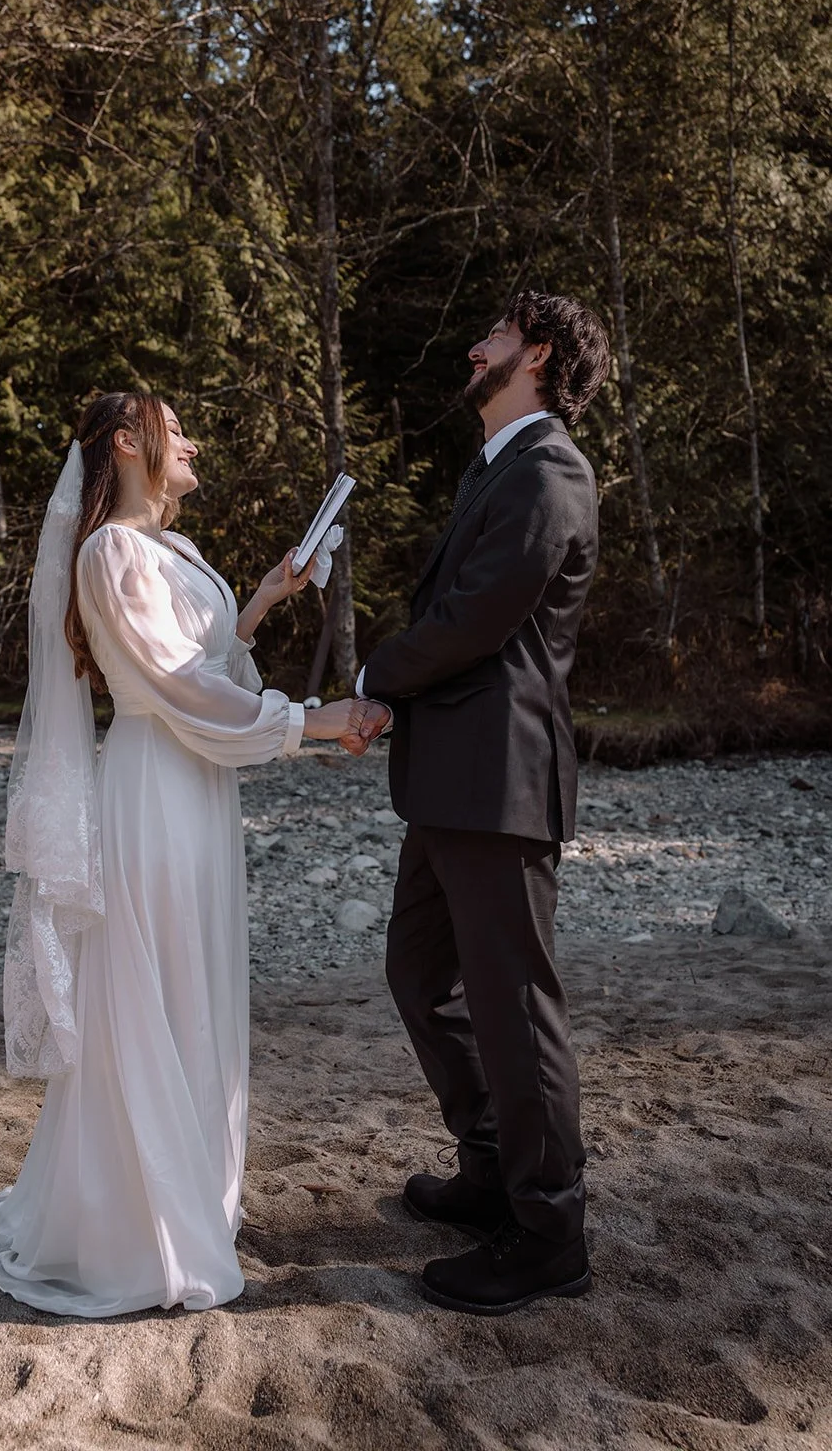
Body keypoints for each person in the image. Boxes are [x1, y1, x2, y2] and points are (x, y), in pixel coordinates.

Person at [0, 391, 369, 1316]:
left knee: (195, 984)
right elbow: (178, 691)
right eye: (174, 429)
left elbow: (207, 669)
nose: (191, 441)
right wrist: (312, 720)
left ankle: (187, 1194)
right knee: (154, 985)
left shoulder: (172, 550)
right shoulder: (111, 552)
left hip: (196, 790)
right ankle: (138, 1225)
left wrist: (261, 597)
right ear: (128, 445)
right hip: (152, 790)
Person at [351, 290, 611, 1317]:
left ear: (535, 355)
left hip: (500, 783)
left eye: (494, 337)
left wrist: (374, 677)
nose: (474, 346)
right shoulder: (497, 467)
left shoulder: (549, 475)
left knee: (514, 1008)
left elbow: (473, 621)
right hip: (452, 780)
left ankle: (548, 1234)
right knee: (418, 972)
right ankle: (493, 1167)